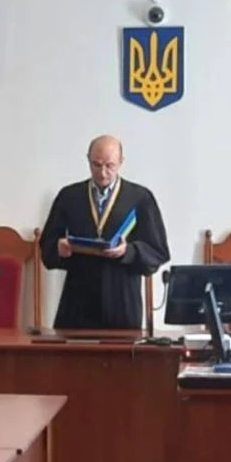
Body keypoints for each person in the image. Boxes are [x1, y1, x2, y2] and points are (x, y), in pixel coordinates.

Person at [38, 135, 170, 329]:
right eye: (96, 165)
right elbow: (46, 247)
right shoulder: (69, 196)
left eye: (110, 166)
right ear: (88, 159)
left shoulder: (141, 198)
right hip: (77, 302)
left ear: (121, 162)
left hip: (122, 301)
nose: (102, 173)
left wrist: (128, 251)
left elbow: (157, 252)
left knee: (121, 349)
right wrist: (58, 248)